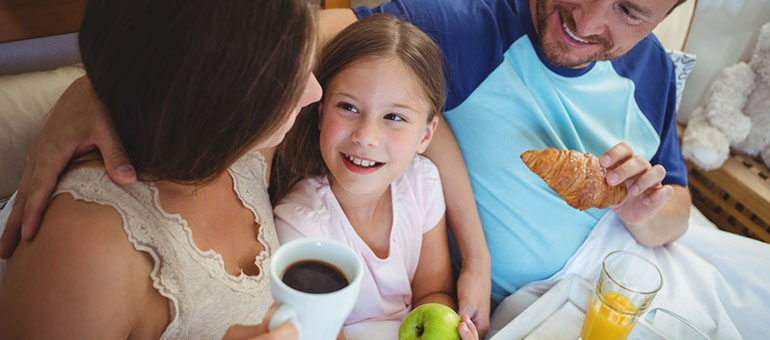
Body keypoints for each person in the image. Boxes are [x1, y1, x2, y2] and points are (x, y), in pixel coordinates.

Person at [0, 0, 693, 336]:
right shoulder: (86, 250)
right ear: (227, 93)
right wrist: (94, 91)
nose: (311, 94)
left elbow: (425, 126)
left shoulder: (242, 152)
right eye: (297, 80)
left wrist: (472, 257)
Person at [0, 0, 321, 338]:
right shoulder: (87, 255)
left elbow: (349, 28)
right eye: (289, 80)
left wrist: (88, 91)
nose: (314, 92)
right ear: (217, 97)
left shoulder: (247, 145)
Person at [269, 14, 479, 340]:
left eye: (393, 117)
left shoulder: (423, 184)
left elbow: (432, 294)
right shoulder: (301, 225)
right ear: (322, 113)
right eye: (348, 107)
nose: (366, 136)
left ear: (427, 135)